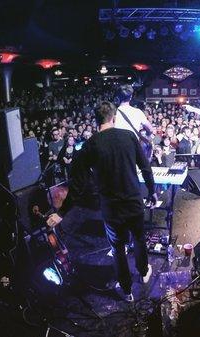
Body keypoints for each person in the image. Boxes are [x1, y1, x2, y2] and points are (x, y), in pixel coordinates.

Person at [48, 101, 156, 302]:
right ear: (114, 117)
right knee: (139, 239)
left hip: (111, 207)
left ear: (96, 121)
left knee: (117, 248)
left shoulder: (90, 145)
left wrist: (61, 213)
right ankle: (143, 272)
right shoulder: (129, 136)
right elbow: (146, 167)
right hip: (133, 201)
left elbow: (77, 185)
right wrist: (152, 192)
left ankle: (127, 291)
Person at [114, 84, 155, 158]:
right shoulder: (137, 112)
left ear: (118, 97)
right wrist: (147, 134)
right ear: (131, 97)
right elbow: (151, 129)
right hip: (132, 148)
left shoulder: (113, 113)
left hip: (117, 149)